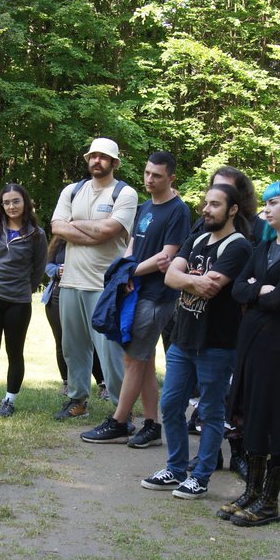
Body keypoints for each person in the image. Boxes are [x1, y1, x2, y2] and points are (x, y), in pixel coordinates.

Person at [141, 183, 253, 498]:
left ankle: (201, 476)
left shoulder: (238, 246)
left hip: (217, 343)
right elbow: (169, 277)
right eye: (206, 203)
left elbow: (211, 288)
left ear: (232, 210)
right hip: (183, 338)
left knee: (212, 411)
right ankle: (176, 469)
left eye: (215, 205)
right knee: (171, 404)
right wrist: (193, 280)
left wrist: (185, 279)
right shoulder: (198, 238)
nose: (206, 209)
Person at [218, 180, 280, 527]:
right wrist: (262, 289)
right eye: (265, 203)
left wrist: (256, 291)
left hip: (277, 344)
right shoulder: (262, 246)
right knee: (249, 414)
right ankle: (252, 491)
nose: (266, 209)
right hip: (251, 340)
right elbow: (237, 291)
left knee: (271, 417)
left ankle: (269, 502)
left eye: (274, 202)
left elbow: (279, 299)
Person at [81, 152, 190, 445]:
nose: (149, 179)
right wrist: (127, 273)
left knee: (132, 360)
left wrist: (130, 274)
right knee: (144, 360)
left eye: (157, 175)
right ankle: (152, 425)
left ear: (171, 178)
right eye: (147, 173)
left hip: (157, 297)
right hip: (136, 291)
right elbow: (131, 247)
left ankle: (119, 421)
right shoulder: (144, 207)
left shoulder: (179, 211)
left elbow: (167, 255)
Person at [50, 138, 138, 420]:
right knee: (72, 347)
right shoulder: (73, 191)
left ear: (114, 162)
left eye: (103, 157)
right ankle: (77, 401)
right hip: (71, 282)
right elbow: (56, 227)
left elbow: (109, 232)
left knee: (110, 351)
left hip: (106, 285)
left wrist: (74, 225)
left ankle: (120, 410)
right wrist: (91, 229)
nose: (96, 161)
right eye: (93, 156)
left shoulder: (124, 193)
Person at [0, 183, 48, 417]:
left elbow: (38, 269)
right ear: (1, 205)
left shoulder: (37, 234)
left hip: (18, 302)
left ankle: (10, 401)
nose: (11, 206)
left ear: (25, 203)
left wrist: (24, 289)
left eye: (16, 201)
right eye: (6, 202)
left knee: (15, 353)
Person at [42, 236, 108, 397]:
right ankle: (67, 383)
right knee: (62, 342)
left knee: (92, 340)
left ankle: (104, 383)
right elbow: (47, 265)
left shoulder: (91, 241)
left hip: (87, 292)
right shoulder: (60, 242)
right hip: (56, 295)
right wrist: (57, 270)